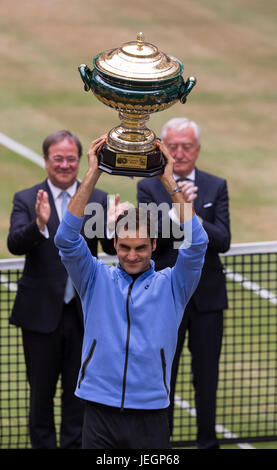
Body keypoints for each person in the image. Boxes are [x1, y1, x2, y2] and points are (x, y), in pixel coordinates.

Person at [54, 135, 208, 449]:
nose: (132, 255)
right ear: (114, 245)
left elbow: (198, 244)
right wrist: (93, 173)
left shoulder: (172, 285)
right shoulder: (95, 278)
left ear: (154, 245)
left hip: (152, 413)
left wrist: (168, 180)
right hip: (99, 410)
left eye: (140, 247)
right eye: (124, 247)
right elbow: (66, 239)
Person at [7, 130, 116, 449]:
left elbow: (111, 248)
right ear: (45, 161)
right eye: (58, 158)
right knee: (40, 397)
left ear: (79, 160)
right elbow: (15, 244)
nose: (65, 165)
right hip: (40, 317)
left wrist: (111, 228)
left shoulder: (97, 199)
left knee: (78, 395)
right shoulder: (27, 199)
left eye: (71, 158)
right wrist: (38, 225)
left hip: (85, 316)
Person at [137, 117, 231, 449]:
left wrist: (193, 214)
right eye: (173, 146)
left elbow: (222, 241)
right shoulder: (148, 186)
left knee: (206, 378)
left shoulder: (215, 185)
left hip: (208, 301)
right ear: (163, 148)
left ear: (198, 149)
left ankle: (208, 443)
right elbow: (153, 243)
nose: (179, 153)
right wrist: (180, 212)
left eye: (186, 146)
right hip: (167, 300)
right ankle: (162, 446)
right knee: (164, 376)